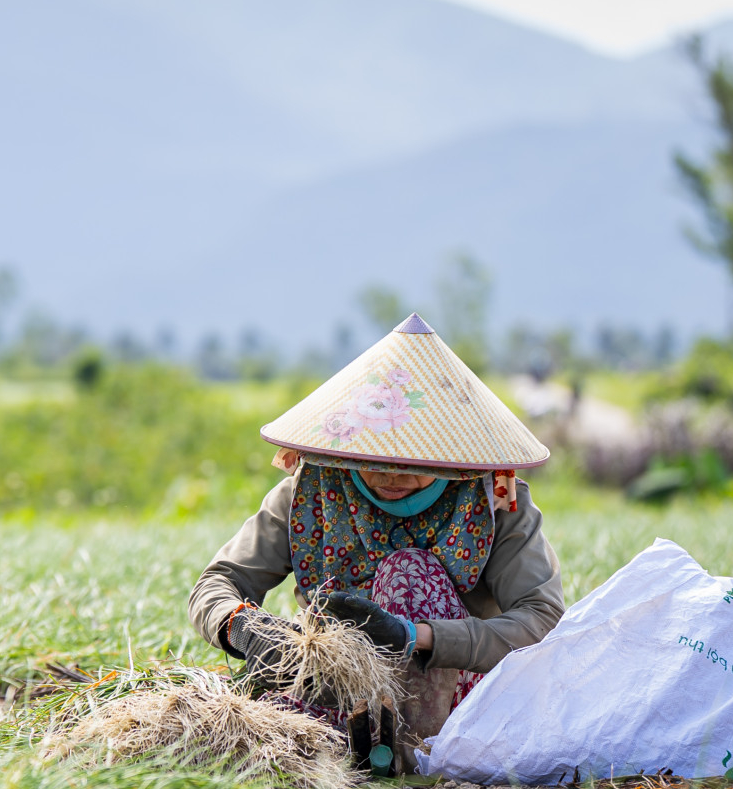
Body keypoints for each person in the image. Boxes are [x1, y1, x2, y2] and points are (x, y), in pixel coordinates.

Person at [189, 313, 564, 748]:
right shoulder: (311, 491)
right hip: (338, 686)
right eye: (374, 458)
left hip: (454, 709)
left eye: (411, 462)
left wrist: (416, 637)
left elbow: (542, 620)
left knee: (409, 571)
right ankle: (346, 739)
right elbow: (218, 582)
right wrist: (244, 628)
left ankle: (403, 749)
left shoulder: (495, 502)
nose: (390, 475)